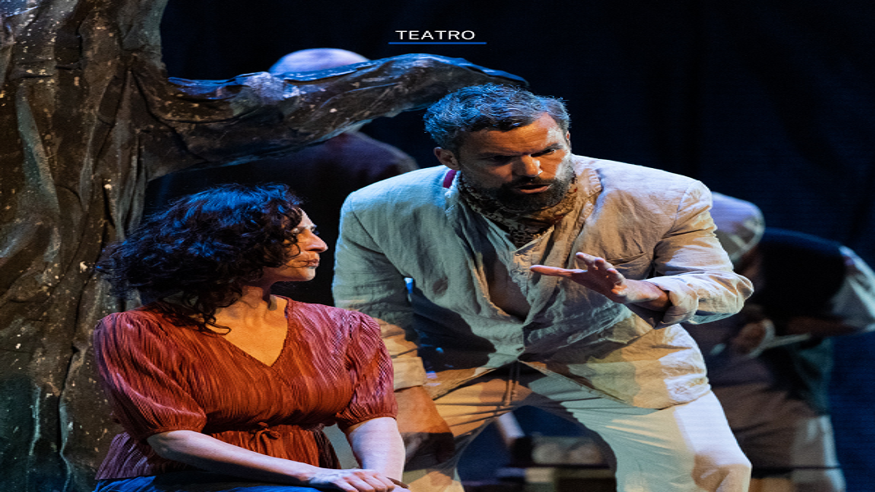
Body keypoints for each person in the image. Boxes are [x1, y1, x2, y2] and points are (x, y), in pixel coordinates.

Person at [333, 84, 754, 492]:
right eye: (500, 159)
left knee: (712, 466)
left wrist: (639, 291)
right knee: (370, 465)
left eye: (546, 151)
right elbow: (371, 310)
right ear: (449, 159)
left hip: (615, 355)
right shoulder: (378, 207)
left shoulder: (664, 195)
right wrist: (406, 391)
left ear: (567, 139)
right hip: (453, 357)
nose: (531, 170)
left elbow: (720, 288)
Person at [91, 184, 408, 492]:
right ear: (234, 242)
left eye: (313, 231)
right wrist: (311, 475)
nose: (319, 245)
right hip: (177, 479)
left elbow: (372, 419)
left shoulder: (345, 327)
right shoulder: (140, 330)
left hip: (306, 482)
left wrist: (384, 484)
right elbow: (171, 439)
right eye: (296, 234)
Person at [145, 48, 419, 307]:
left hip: (189, 303)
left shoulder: (194, 148)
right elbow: (405, 255)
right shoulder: (378, 162)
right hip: (320, 314)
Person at [685, 193, 875, 492]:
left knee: (814, 485)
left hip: (776, 402)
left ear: (747, 251)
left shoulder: (813, 263)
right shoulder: (649, 266)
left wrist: (779, 327)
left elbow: (863, 317)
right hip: (688, 400)